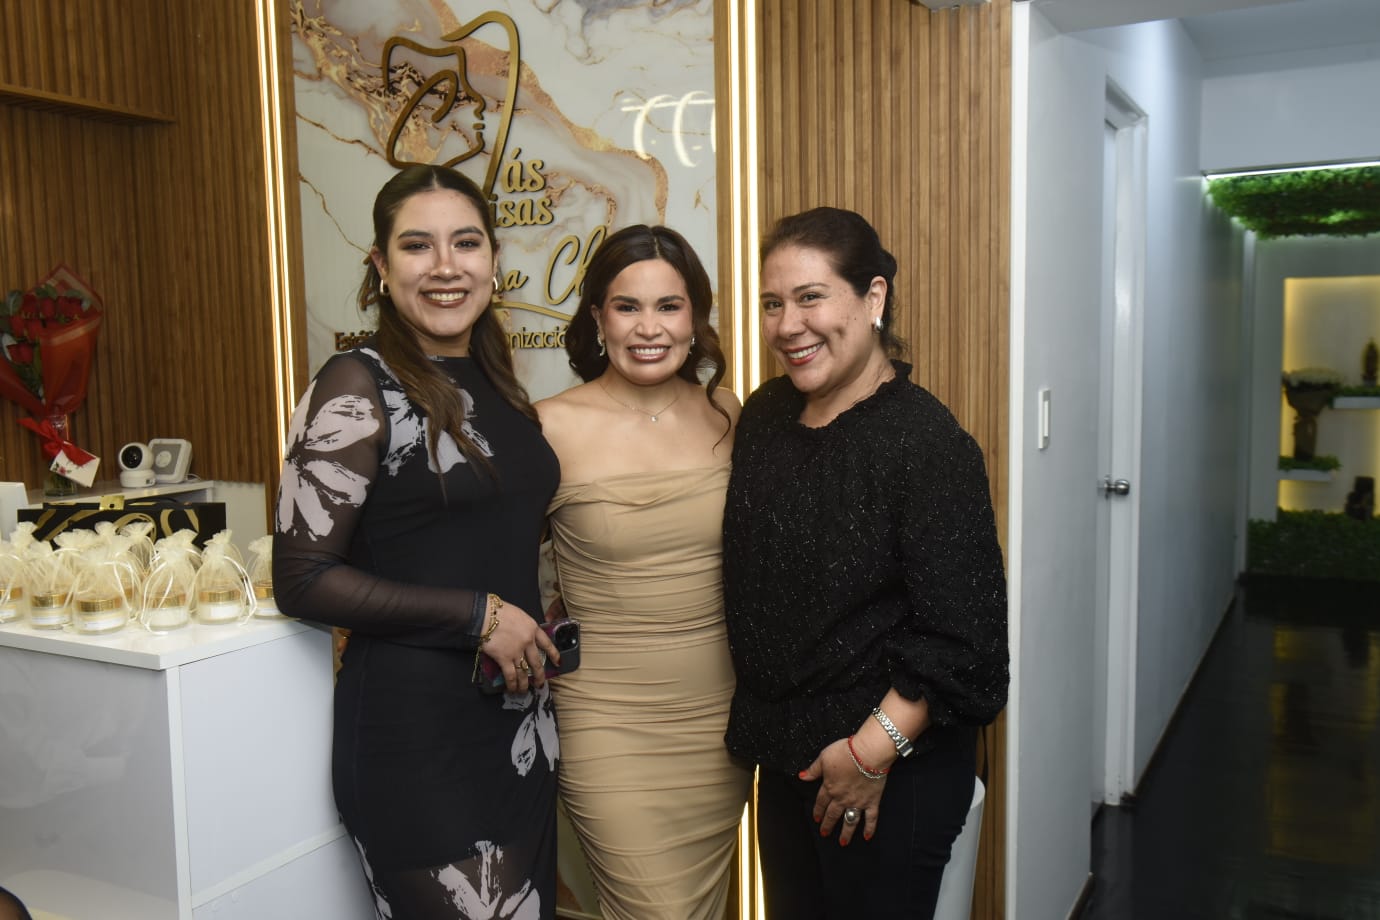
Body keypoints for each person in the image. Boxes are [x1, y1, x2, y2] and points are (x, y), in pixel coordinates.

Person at [274, 164, 562, 920]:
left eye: (465, 242)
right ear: (380, 264)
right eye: (416, 245)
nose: (444, 266)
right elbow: (302, 579)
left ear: (493, 259)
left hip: (517, 724)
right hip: (416, 738)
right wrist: (478, 615)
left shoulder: (495, 379)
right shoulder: (354, 384)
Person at [722, 207, 1009, 919]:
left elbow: (964, 643)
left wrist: (869, 753)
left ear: (873, 296)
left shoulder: (926, 443)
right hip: (786, 759)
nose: (788, 325)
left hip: (887, 772)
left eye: (811, 297)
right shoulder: (766, 416)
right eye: (772, 303)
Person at [536, 224, 752, 920]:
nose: (649, 328)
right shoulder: (547, 426)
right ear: (598, 318)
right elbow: (498, 565)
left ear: (696, 317)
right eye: (628, 306)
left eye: (669, 306)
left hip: (720, 723)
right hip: (606, 720)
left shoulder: (729, 414)